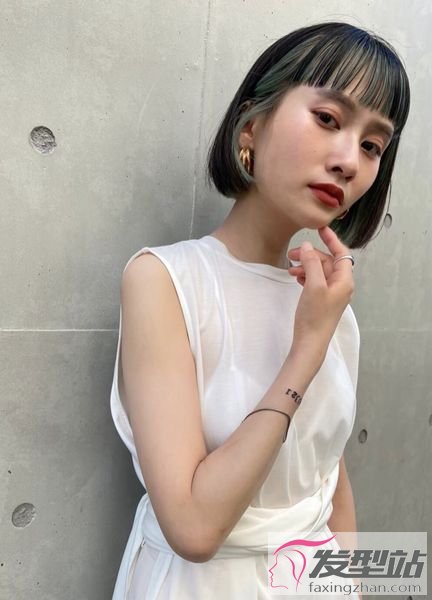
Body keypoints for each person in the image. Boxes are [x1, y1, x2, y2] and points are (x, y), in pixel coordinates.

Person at [110, 21, 410, 599]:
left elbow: (327, 479)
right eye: (329, 119)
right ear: (252, 125)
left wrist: (356, 584)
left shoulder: (328, 302)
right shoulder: (166, 281)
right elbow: (194, 528)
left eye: (373, 145)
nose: (350, 160)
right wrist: (307, 348)